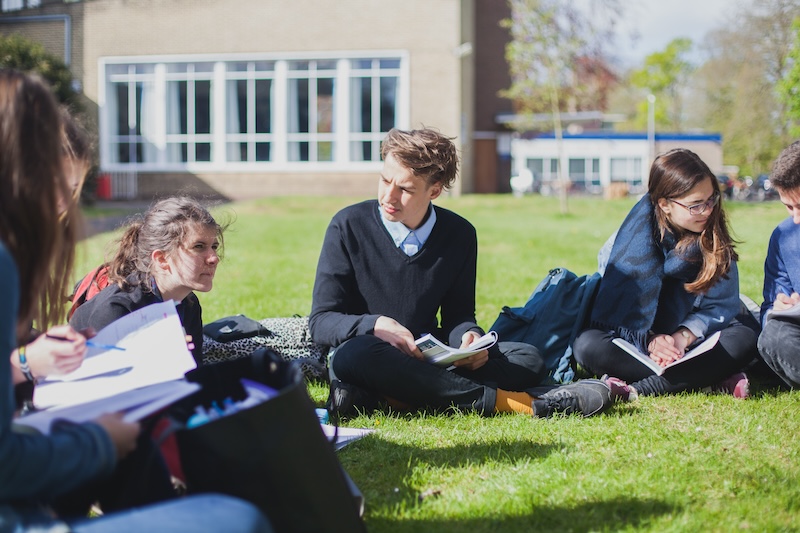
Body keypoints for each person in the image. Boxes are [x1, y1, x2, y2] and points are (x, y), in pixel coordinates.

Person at [0, 68, 270, 531]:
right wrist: (101, 441)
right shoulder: (107, 304)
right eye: (61, 190)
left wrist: (28, 359)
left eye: (74, 193)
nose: (64, 210)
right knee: (241, 520)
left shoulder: (186, 305)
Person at [309, 127, 612, 419]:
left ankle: (389, 397)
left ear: (435, 190)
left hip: (427, 356)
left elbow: (458, 315)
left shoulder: (460, 234)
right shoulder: (347, 225)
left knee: (528, 358)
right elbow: (321, 321)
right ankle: (520, 404)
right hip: (367, 354)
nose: (389, 196)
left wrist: (470, 339)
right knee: (355, 356)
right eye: (385, 180)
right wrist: (375, 325)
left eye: (405, 189)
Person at [573, 148, 757, 399]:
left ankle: (640, 388)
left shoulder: (715, 238)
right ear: (665, 204)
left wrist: (682, 337)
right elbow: (618, 309)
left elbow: (720, 308)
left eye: (711, 199)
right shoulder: (625, 241)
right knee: (587, 344)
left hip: (695, 340)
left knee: (744, 338)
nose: (707, 211)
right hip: (638, 343)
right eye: (695, 205)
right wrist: (651, 339)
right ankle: (707, 378)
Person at [70, 197, 225, 364]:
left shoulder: (189, 304)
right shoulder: (116, 309)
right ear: (162, 259)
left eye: (214, 247)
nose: (214, 258)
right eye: (198, 247)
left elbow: (193, 371)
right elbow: (108, 376)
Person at [757, 141, 800, 388]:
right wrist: (781, 306)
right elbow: (769, 308)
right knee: (773, 337)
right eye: (789, 207)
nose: (796, 218)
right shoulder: (783, 237)